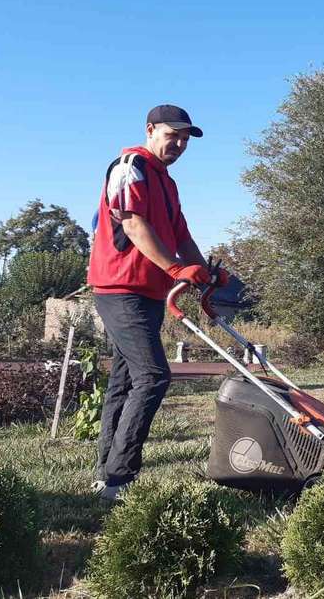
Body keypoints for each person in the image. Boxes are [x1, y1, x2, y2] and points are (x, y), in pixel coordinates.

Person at [87, 104, 227, 501]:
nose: (180, 144)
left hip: (148, 292)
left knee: (127, 379)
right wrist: (175, 269)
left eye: (185, 139)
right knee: (153, 376)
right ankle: (119, 478)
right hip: (119, 288)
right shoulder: (130, 165)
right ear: (151, 130)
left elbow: (181, 236)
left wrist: (206, 273)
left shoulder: (167, 182)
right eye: (173, 135)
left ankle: (106, 475)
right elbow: (131, 223)